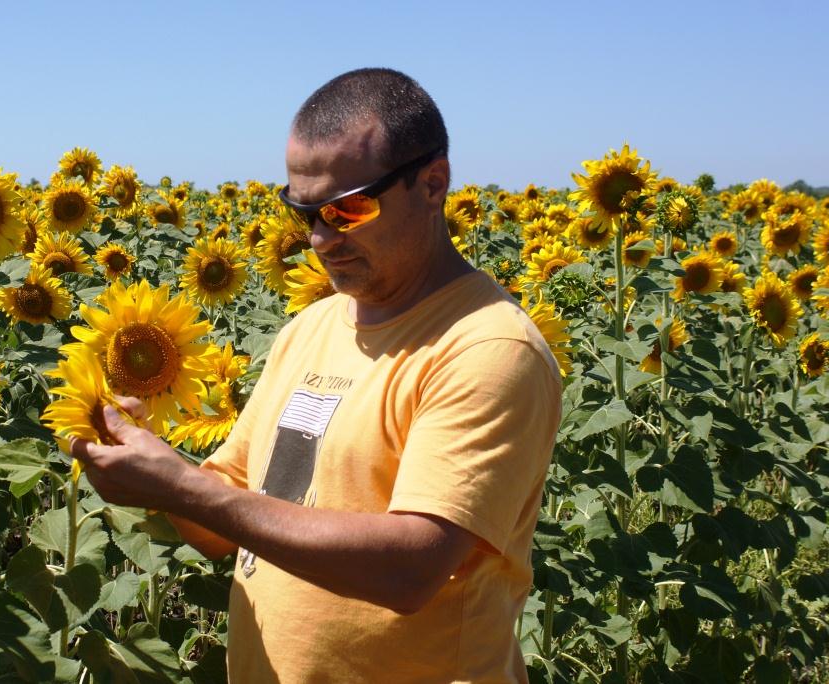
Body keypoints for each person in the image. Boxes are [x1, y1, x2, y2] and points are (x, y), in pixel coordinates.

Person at [72, 67, 562, 683]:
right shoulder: (312, 328)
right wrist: (147, 465)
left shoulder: (486, 348)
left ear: (432, 183)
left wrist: (183, 489)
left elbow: (412, 568)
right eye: (303, 212)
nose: (320, 239)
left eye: (347, 209)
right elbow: (224, 522)